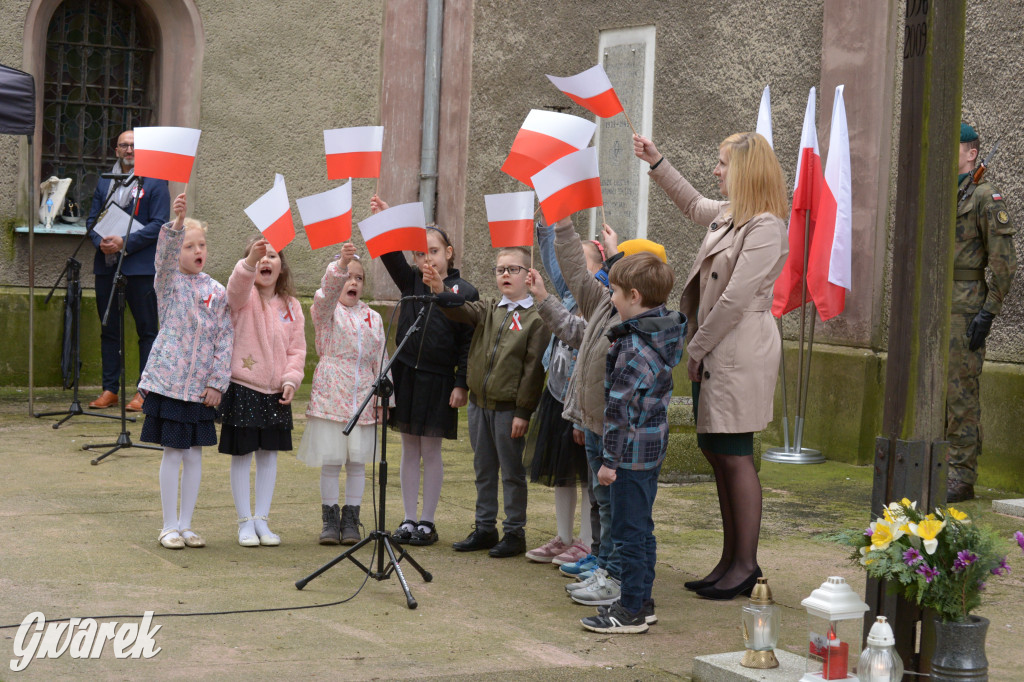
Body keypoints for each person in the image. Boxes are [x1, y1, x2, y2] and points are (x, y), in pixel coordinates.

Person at [634, 131, 788, 600]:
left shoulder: (765, 226)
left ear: (745, 170)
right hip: (716, 347)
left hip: (737, 350)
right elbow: (692, 204)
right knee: (717, 453)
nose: (716, 171)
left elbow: (736, 298)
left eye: (722, 164)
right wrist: (657, 161)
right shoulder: (729, 215)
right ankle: (730, 559)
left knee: (735, 454)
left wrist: (695, 347)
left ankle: (745, 565)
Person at [541, 217, 669, 611]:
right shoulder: (605, 302)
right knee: (605, 505)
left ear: (634, 289)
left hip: (620, 438)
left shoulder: (637, 326)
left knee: (622, 514)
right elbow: (577, 274)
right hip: (598, 425)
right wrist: (563, 230)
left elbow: (627, 402)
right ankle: (608, 568)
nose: (605, 282)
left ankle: (619, 581)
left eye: (613, 273)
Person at [579, 252, 685, 634]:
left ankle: (630, 611)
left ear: (635, 296)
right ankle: (643, 601)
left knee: (629, 534)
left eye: (616, 293)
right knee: (641, 528)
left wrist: (609, 462)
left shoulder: (634, 347)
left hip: (629, 457)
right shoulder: (655, 333)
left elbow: (620, 412)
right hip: (648, 451)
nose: (611, 299)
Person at [423, 246, 548, 558]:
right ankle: (485, 527)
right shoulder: (490, 307)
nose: (504, 274)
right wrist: (440, 290)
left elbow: (533, 371)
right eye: (500, 269)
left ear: (529, 275)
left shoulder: (536, 319)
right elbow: (461, 310)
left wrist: (523, 411)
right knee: (483, 467)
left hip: (509, 410)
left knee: (511, 472)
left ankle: (515, 531)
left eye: (513, 269)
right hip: (480, 404)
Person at [371, 195, 478, 547]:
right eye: (420, 253)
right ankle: (408, 518)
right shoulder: (411, 282)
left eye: (433, 250)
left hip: (438, 378)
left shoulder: (464, 290)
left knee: (431, 450)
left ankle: (428, 522)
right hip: (406, 373)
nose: (426, 258)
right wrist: (387, 221)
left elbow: (466, 341)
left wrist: (461, 382)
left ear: (448, 252)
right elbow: (389, 254)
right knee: (408, 448)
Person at [138, 193, 233, 550]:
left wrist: (216, 383)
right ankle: (167, 526)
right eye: (189, 245)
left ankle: (186, 524)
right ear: (177, 250)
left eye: (202, 245)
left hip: (199, 389)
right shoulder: (168, 283)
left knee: (195, 454)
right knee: (173, 453)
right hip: (170, 385)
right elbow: (161, 259)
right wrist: (176, 226)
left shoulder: (217, 290)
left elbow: (226, 338)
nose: (197, 251)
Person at [522, 219, 603, 566]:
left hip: (581, 403)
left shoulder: (597, 301)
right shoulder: (569, 294)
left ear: (600, 270)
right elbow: (555, 262)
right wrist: (546, 224)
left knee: (586, 476)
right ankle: (564, 537)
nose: (572, 267)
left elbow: (576, 334)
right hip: (557, 395)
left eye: (582, 260)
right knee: (562, 472)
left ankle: (586, 541)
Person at [297, 243, 390, 546]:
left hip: (363, 396)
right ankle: (329, 518)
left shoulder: (372, 318)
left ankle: (351, 518)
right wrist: (340, 265)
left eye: (359, 278)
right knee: (332, 459)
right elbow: (324, 294)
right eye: (348, 276)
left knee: (357, 462)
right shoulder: (325, 312)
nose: (353, 282)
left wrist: (385, 398)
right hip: (331, 395)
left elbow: (381, 358)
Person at [946, 123, 1017, 503]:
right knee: (938, 391)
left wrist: (988, 313)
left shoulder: (985, 197)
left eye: (953, 145)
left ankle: (961, 476)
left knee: (961, 393)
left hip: (965, 308)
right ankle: (942, 464)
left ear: (971, 153)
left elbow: (1005, 264)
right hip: (936, 306)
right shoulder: (944, 192)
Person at [220, 237, 306, 547]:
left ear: (282, 267)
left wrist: (291, 379)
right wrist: (248, 262)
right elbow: (234, 289)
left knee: (269, 455)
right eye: (260, 257)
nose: (266, 261)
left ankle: (262, 520)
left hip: (276, 392)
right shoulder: (244, 298)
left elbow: (297, 350)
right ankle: (244, 522)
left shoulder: (292, 306)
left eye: (272, 256)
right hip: (245, 387)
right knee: (242, 454)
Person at [86, 129, 171, 412]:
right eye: (124, 145)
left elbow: (159, 223)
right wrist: (102, 243)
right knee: (109, 329)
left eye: (134, 146)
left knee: (147, 330)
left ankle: (144, 391)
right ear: (116, 150)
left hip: (140, 268)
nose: (129, 150)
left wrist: (125, 243)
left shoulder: (156, 181)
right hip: (107, 267)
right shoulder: (105, 182)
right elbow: (91, 221)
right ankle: (110, 389)